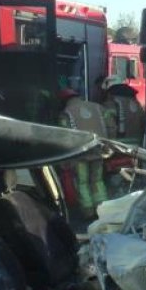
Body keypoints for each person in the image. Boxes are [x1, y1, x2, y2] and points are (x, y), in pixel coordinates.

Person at [57, 89, 109, 219]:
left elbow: (64, 136)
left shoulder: (66, 113)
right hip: (98, 151)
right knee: (97, 181)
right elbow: (111, 126)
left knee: (82, 183)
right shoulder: (97, 107)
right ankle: (103, 209)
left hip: (80, 155)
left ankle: (88, 212)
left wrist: (65, 159)